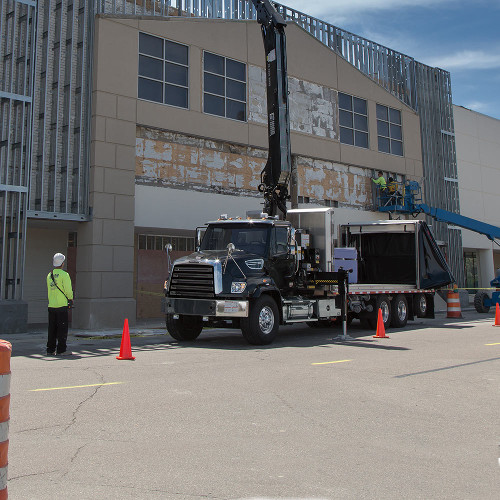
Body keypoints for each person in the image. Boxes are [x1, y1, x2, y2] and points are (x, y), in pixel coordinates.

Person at [46, 253, 74, 356]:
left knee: (52, 328)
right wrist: (70, 298)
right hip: (61, 305)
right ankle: (61, 349)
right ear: (62, 263)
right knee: (62, 329)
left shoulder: (50, 275)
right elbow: (68, 289)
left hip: (51, 305)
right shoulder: (64, 275)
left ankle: (50, 349)